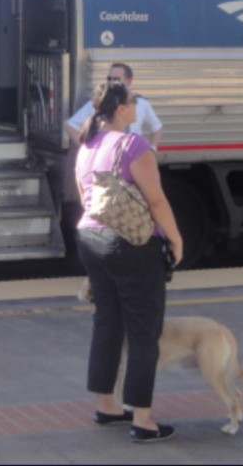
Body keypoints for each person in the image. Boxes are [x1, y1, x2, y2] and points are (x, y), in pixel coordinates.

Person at [74, 80, 184, 443]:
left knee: (107, 321)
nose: (138, 105)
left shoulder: (87, 145)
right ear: (121, 108)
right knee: (143, 330)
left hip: (90, 239)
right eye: (134, 101)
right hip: (131, 246)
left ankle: (107, 405)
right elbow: (156, 202)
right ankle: (143, 420)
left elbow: (84, 196)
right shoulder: (133, 144)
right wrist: (176, 238)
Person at [65, 63, 163, 149]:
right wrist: (86, 148)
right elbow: (70, 126)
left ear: (128, 81)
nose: (111, 82)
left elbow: (156, 127)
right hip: (108, 155)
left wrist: (152, 149)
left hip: (132, 154)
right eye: (109, 78)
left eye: (116, 79)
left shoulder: (141, 103)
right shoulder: (97, 102)